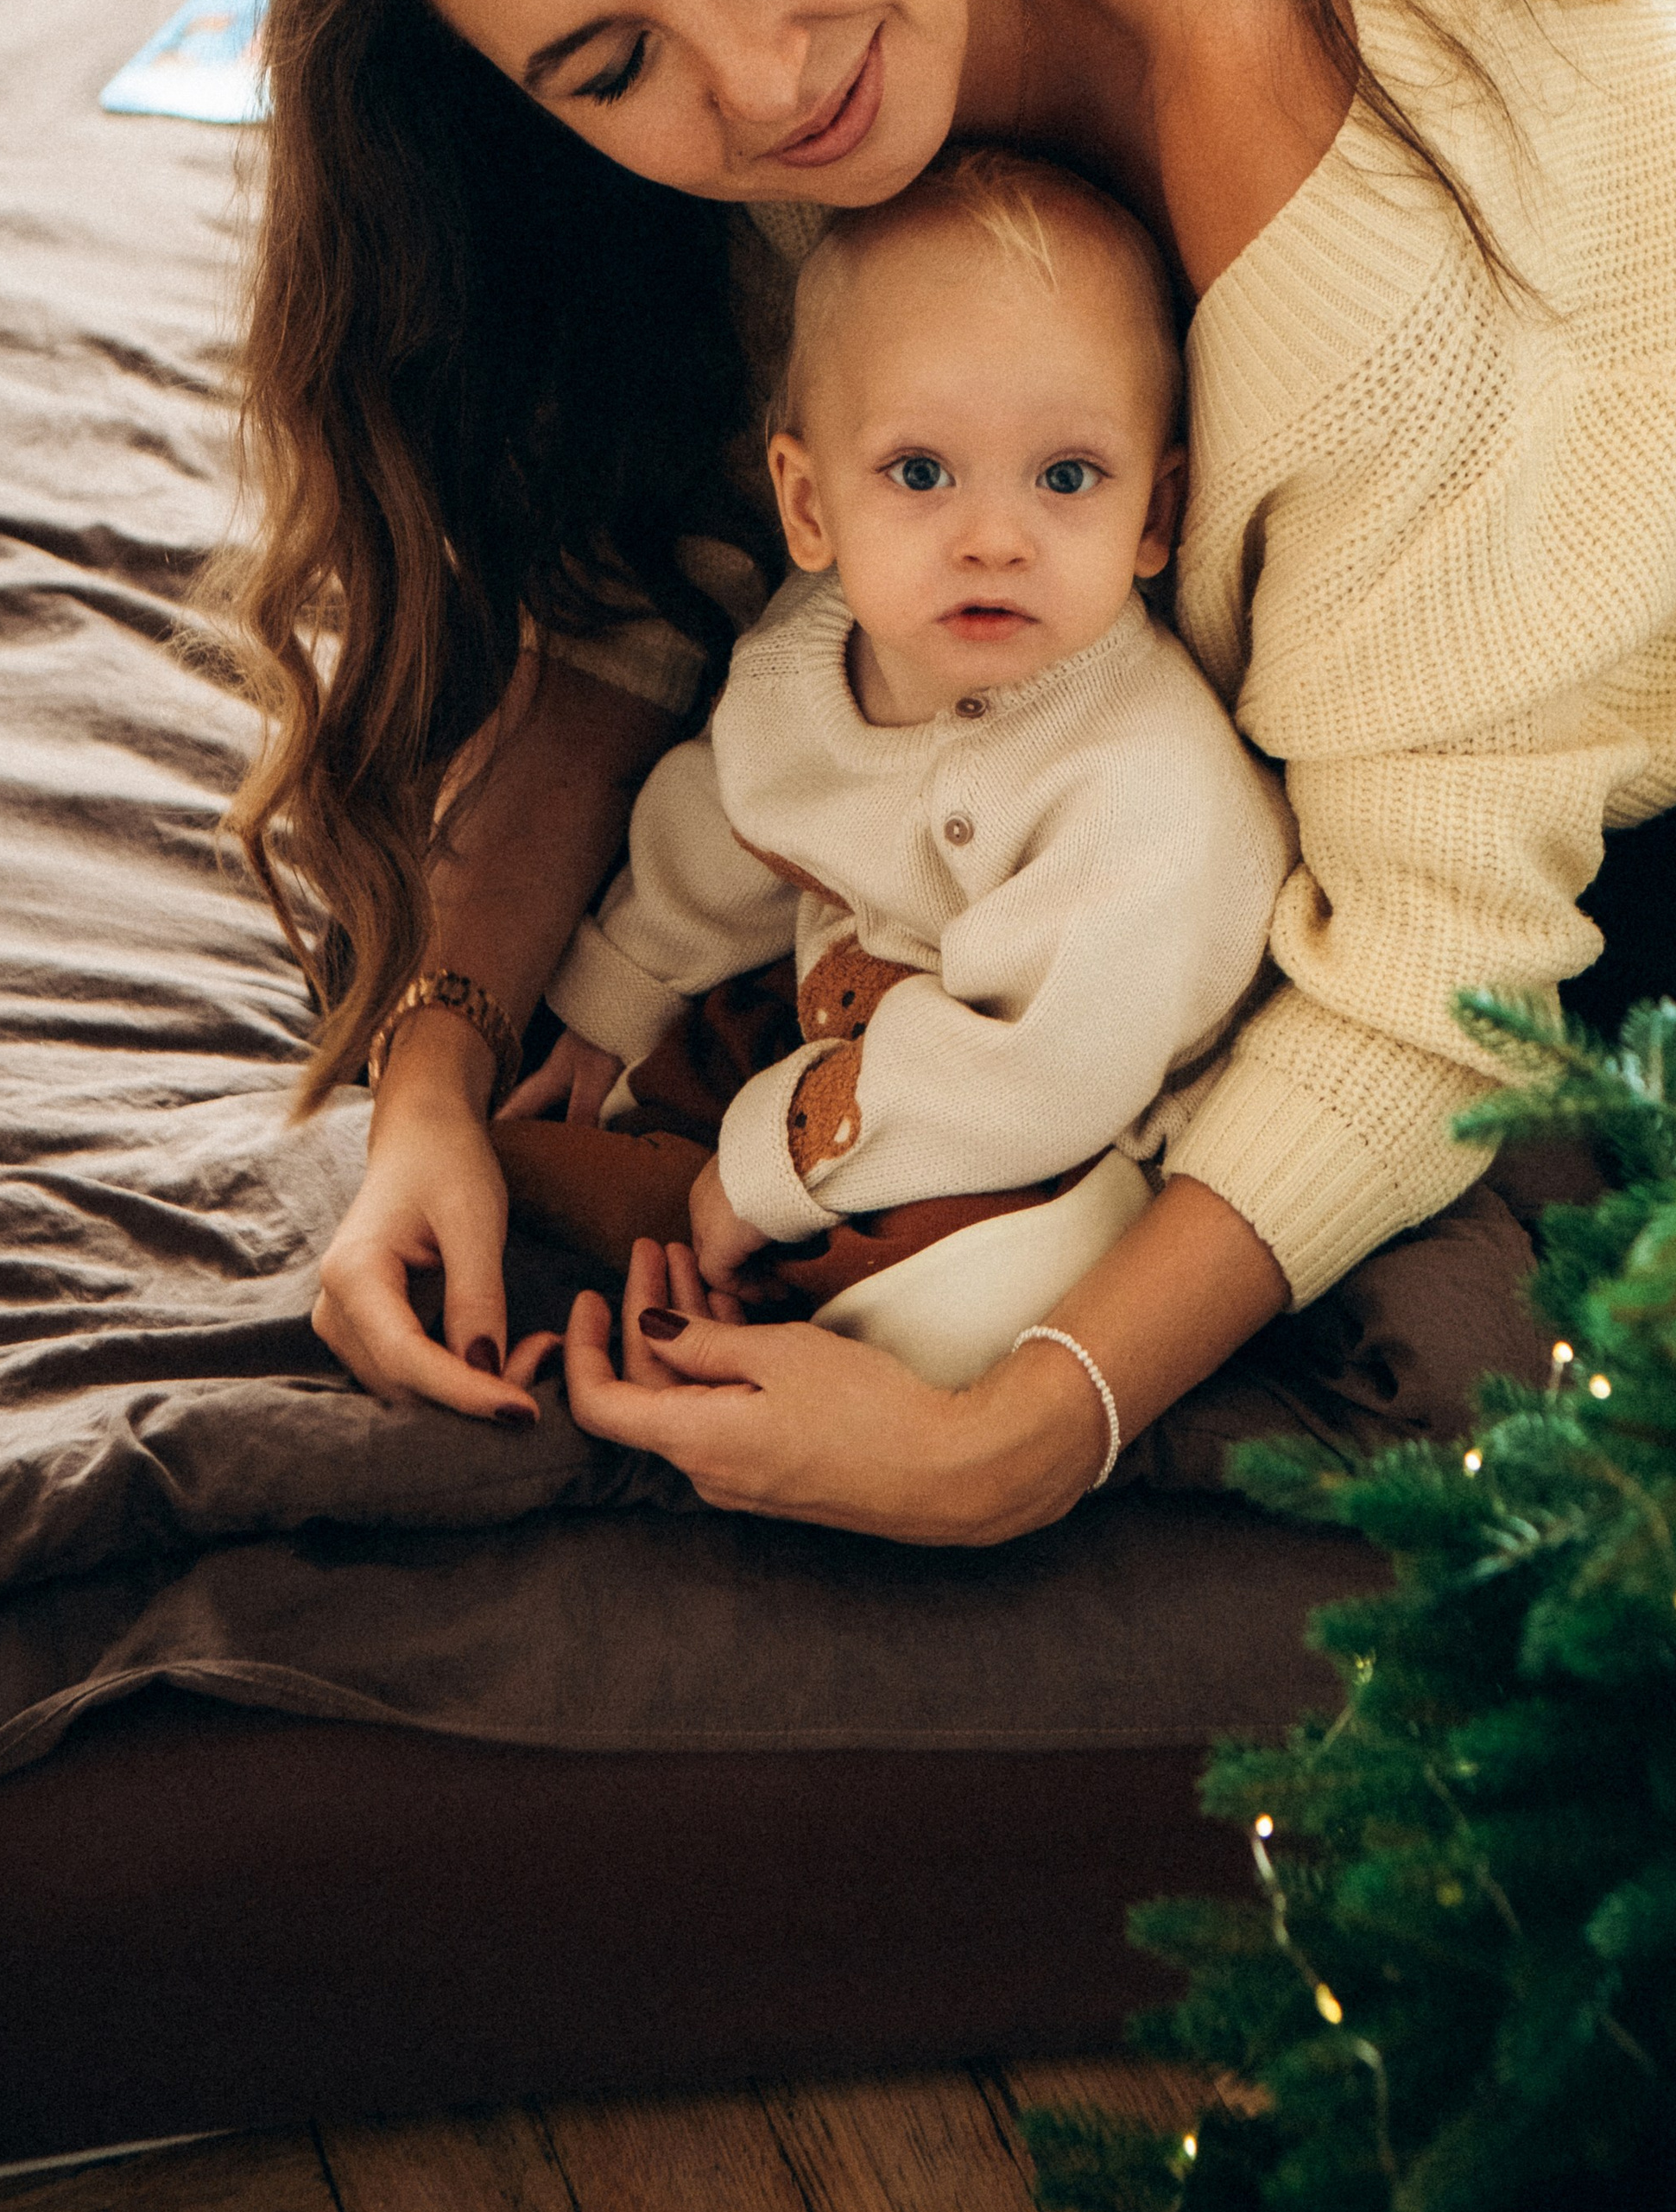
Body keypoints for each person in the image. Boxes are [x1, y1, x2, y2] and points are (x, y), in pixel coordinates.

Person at [217, 0, 1676, 1543]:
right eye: (605, 64)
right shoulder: (788, 139)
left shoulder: (1402, 283)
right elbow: (648, 590)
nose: (756, 83)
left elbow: (1436, 991)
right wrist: (430, 1082)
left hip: (1668, 703)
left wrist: (1010, 1444)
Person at [526, 144, 1295, 1387]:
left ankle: (789, 1299)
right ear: (809, 505)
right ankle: (662, 1193)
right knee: (664, 1060)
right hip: (853, 1013)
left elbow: (1039, 1073)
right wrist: (616, 995)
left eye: (1067, 477)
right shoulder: (803, 660)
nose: (993, 538)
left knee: (989, 1285)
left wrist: (769, 1165)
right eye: (921, 473)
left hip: (1071, 1103)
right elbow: (730, 821)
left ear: (1155, 516)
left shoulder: (1141, 785)